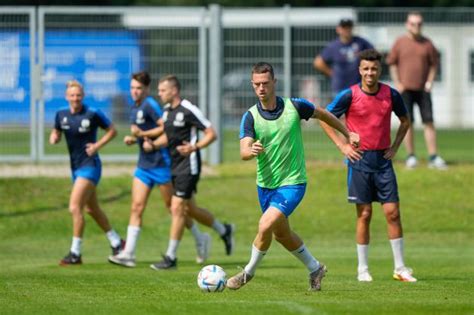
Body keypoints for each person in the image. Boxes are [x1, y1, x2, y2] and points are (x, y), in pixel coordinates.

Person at [226, 62, 359, 291]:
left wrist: (348, 133)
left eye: (265, 83)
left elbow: (324, 115)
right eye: (257, 84)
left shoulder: (295, 106)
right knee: (281, 235)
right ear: (252, 85)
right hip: (266, 185)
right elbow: (243, 150)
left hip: (293, 182)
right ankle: (315, 268)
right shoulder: (250, 117)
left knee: (264, 224)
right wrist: (251, 151)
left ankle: (248, 273)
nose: (261, 88)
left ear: (274, 83)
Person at [319, 49, 417, 282]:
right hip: (359, 162)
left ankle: (400, 268)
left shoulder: (390, 94)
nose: (370, 72)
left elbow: (405, 121)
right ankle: (363, 269)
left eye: (374, 68)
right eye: (366, 68)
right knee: (365, 214)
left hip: (383, 163)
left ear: (379, 70)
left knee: (393, 213)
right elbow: (324, 118)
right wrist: (343, 146)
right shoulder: (349, 95)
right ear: (359, 70)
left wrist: (394, 147)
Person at [108, 71, 210, 268]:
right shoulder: (134, 107)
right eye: (132, 88)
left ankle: (199, 238)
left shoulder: (152, 106)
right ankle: (128, 253)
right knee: (136, 206)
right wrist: (136, 138)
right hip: (144, 165)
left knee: (175, 209)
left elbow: (165, 129)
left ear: (146, 89)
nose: (134, 92)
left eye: (138, 88)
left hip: (162, 165)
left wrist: (146, 137)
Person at [147, 75, 235, 270]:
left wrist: (194, 147)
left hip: (189, 166)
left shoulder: (189, 109)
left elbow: (212, 133)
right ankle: (224, 230)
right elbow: (168, 138)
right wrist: (152, 145)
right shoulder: (167, 111)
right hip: (175, 166)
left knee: (177, 207)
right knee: (190, 210)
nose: (159, 93)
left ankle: (170, 258)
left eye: (162, 90)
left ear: (174, 90)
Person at [49, 80, 123, 265]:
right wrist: (54, 136)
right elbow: (56, 131)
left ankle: (75, 253)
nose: (75, 98)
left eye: (78, 95)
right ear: (67, 97)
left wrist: (97, 145)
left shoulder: (92, 113)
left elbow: (113, 131)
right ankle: (117, 242)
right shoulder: (61, 114)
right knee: (91, 208)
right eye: (72, 95)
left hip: (91, 166)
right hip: (75, 168)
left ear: (83, 96)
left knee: (75, 207)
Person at [387, 11, 447, 170]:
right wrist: (398, 83)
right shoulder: (400, 42)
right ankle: (411, 156)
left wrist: (430, 82)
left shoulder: (427, 43)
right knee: (408, 123)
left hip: (423, 90)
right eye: (413, 23)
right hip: (405, 89)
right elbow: (392, 63)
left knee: (429, 122)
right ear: (407, 25)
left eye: (419, 23)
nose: (416, 26)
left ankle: (433, 156)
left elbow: (434, 64)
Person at [313, 18, 373, 96]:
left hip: (359, 87)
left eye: (349, 27)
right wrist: (331, 73)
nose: (347, 30)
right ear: (338, 29)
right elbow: (318, 62)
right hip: (339, 88)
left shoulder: (361, 42)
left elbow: (374, 54)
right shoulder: (333, 46)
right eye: (344, 27)